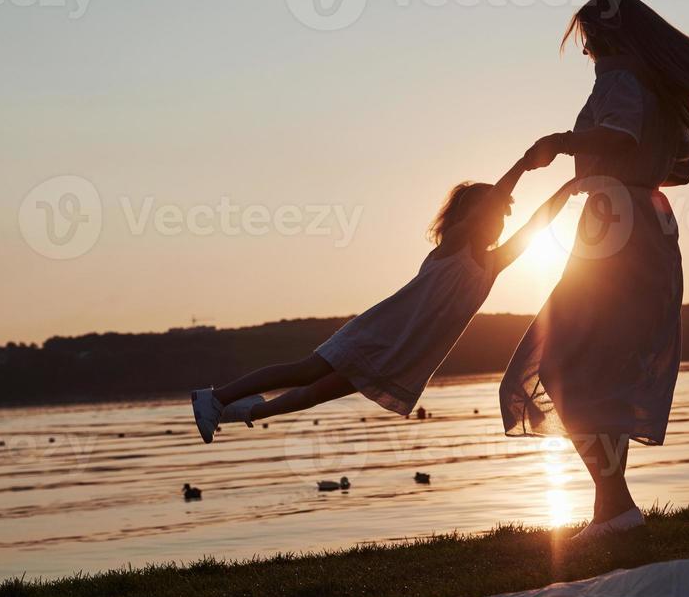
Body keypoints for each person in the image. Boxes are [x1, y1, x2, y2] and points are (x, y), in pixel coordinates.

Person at [501, 0, 689, 543]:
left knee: (559, 363)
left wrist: (561, 142)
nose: (584, 52)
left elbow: (619, 136)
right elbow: (678, 170)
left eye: (586, 40)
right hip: (642, 221)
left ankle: (615, 508)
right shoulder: (651, 84)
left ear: (604, 35)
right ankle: (612, 510)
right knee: (599, 367)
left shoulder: (620, 79)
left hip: (614, 226)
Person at [190, 162, 576, 443]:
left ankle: (243, 409)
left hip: (404, 350)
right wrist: (525, 162)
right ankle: (216, 397)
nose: (499, 219)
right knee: (306, 371)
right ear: (472, 214)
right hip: (382, 331)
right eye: (490, 211)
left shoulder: (492, 265)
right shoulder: (455, 243)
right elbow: (490, 205)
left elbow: (534, 226)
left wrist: (571, 187)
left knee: (314, 393)